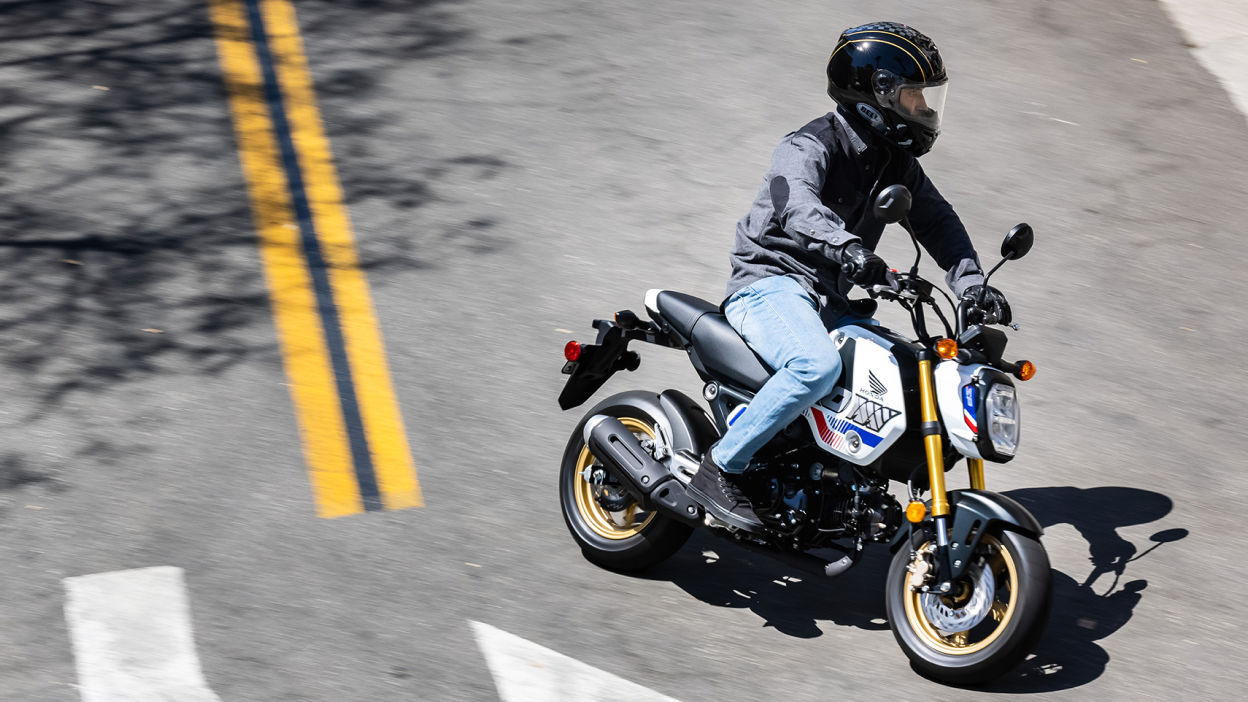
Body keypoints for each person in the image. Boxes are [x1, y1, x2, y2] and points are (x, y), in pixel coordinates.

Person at [687, 22, 1012, 531]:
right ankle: (720, 467)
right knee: (814, 367)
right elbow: (795, 204)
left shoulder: (894, 162)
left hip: (829, 299)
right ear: (875, 95)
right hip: (770, 283)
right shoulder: (809, 145)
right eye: (913, 97)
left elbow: (938, 222)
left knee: (907, 372)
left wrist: (973, 285)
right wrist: (849, 249)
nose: (924, 109)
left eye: (927, 98)